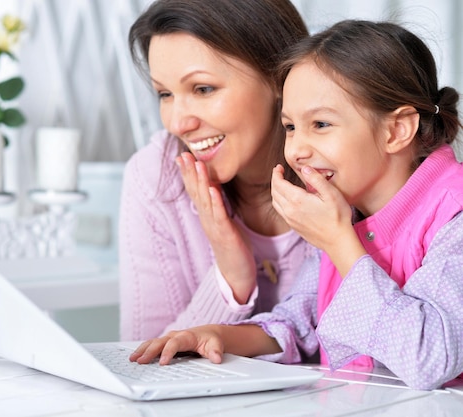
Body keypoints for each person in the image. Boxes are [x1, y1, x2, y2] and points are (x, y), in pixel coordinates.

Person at [129, 19, 463, 391]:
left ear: (397, 130)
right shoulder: (347, 215)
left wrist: (338, 242)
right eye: (290, 127)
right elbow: (297, 321)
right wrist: (217, 335)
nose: (297, 151)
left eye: (320, 124)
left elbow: (431, 357)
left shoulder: (453, 215)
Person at [119, 0, 312, 342]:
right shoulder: (155, 178)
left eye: (203, 89)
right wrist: (230, 279)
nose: (178, 122)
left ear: (279, 77)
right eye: (164, 94)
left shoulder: (345, 167)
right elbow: (141, 358)